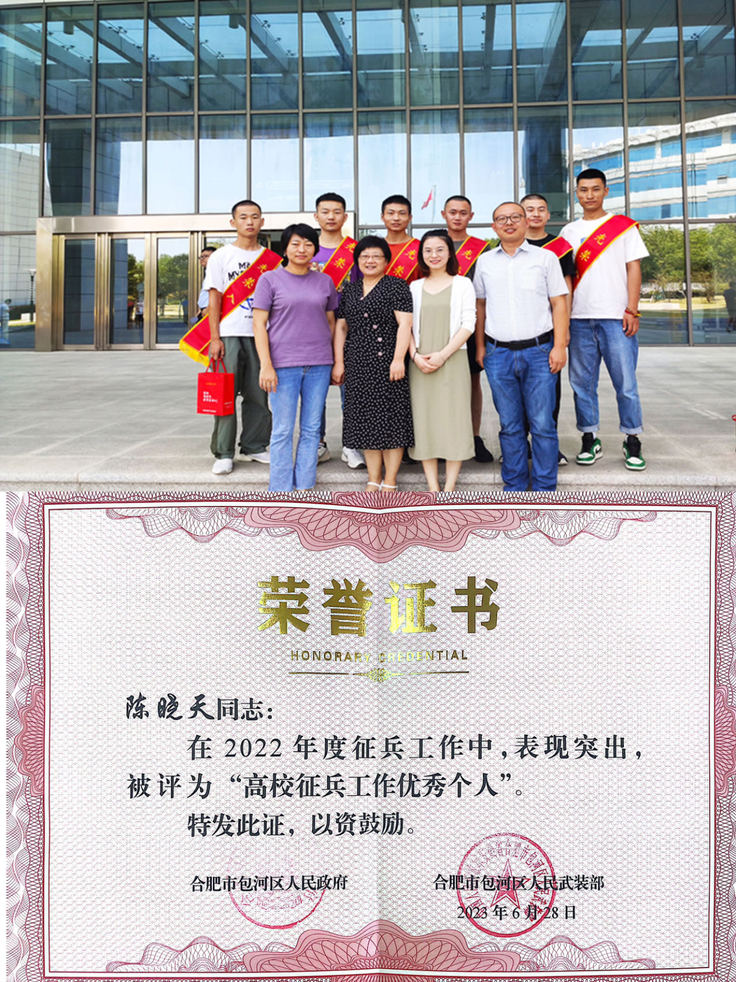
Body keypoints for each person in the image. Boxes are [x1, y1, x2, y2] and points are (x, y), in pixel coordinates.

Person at [474, 202, 569, 492]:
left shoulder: (546, 258)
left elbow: (559, 303)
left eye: (515, 217)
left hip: (539, 352)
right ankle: (514, 485)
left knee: (542, 423)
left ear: (526, 222)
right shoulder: (485, 262)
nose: (509, 223)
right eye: (501, 219)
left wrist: (560, 346)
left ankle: (544, 487)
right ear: (494, 227)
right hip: (498, 353)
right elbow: (480, 305)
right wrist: (481, 347)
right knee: (510, 424)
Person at [560, 168, 649, 471]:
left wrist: (632, 309)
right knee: (582, 384)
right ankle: (589, 437)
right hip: (579, 318)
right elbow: (565, 278)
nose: (589, 195)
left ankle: (632, 438)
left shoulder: (623, 227)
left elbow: (634, 268)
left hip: (616, 317)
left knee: (626, 383)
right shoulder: (568, 232)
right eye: (583, 190)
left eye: (595, 189)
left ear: (606, 191)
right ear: (576, 193)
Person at [253, 224, 338, 493]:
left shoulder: (325, 281)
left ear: (315, 249)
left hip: (319, 364)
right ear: (285, 248)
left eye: (308, 244)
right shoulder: (269, 280)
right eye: (296, 244)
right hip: (282, 365)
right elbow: (259, 325)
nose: (302, 249)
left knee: (312, 428)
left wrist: (334, 359)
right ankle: (280, 489)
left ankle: (304, 485)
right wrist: (266, 365)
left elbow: (331, 322)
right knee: (282, 429)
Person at [202, 200, 280, 476]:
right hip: (229, 335)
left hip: (261, 336)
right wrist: (215, 337)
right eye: (243, 217)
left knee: (259, 394)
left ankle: (254, 445)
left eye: (255, 217)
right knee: (225, 394)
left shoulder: (272, 261)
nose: (249, 221)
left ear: (262, 222)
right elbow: (214, 298)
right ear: (233, 222)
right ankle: (223, 453)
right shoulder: (221, 256)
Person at [332, 236, 413, 492]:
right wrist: (339, 362)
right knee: (366, 421)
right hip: (357, 362)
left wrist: (398, 359)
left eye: (376, 256)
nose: (370, 261)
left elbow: (405, 324)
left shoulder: (397, 286)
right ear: (357, 261)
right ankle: (373, 478)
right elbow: (341, 327)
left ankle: (390, 480)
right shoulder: (350, 290)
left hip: (387, 362)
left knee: (391, 421)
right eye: (365, 256)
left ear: (386, 261)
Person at [408, 230, 476, 492]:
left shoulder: (463, 284)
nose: (433, 255)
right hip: (420, 363)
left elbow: (468, 324)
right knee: (424, 419)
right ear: (421, 255)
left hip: (453, 360)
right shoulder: (414, 287)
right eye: (428, 250)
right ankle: (432, 487)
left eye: (439, 249)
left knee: (454, 418)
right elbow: (405, 327)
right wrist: (415, 356)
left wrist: (443, 355)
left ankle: (449, 488)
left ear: (449, 253)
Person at [311, 192, 365, 471]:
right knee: (315, 392)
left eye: (336, 212)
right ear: (316, 216)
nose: (331, 216)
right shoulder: (306, 249)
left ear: (345, 217)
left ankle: (351, 444)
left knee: (351, 391)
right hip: (313, 330)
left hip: (350, 329)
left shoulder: (356, 250)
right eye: (325, 211)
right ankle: (317, 442)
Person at [521, 192, 575, 465]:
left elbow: (565, 291)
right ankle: (520, 446)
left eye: (540, 209)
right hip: (516, 329)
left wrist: (563, 331)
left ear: (548, 215)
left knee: (549, 390)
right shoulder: (509, 244)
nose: (535, 214)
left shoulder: (560, 247)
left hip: (548, 330)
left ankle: (549, 446)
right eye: (529, 209)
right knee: (517, 394)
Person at [441, 194, 494, 463]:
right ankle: (440, 436)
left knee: (473, 381)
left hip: (470, 323)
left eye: (463, 213)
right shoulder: (434, 244)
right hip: (438, 321)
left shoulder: (482, 249)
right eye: (453, 212)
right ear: (444, 214)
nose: (458, 217)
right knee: (439, 382)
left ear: (471, 216)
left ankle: (474, 436)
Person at [380, 195, 421, 283]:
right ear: (382, 217)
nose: (396, 218)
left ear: (410, 218)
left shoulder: (421, 248)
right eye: (391, 213)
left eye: (402, 213)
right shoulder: (374, 247)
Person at [196, 246, 216, 320]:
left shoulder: (216, 273)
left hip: (209, 311)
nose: (202, 259)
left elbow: (217, 293)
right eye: (201, 257)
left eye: (206, 256)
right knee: (192, 323)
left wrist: (208, 309)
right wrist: (200, 311)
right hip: (203, 311)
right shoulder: (208, 274)